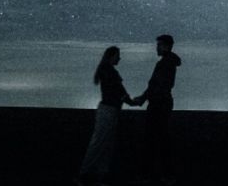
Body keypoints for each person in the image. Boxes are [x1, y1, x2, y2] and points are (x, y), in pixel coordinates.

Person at [76, 46, 138, 186]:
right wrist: (133, 102)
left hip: (109, 110)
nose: (119, 58)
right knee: (100, 143)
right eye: (117, 55)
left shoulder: (106, 70)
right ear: (111, 56)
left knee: (105, 144)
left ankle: (96, 175)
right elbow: (119, 91)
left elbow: (118, 91)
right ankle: (85, 175)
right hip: (108, 111)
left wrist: (129, 100)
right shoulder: (109, 71)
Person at [132, 34, 181, 185]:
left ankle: (149, 175)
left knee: (152, 139)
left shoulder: (164, 64)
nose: (156, 47)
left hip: (159, 104)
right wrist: (145, 97)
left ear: (166, 46)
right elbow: (156, 85)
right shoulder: (169, 63)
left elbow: (156, 85)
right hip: (162, 103)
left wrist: (144, 98)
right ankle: (164, 175)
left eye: (159, 45)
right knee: (161, 139)